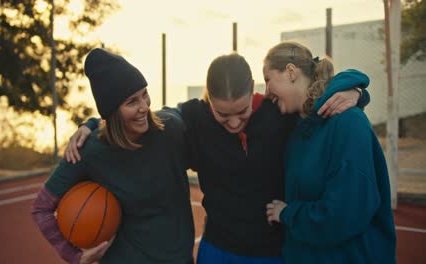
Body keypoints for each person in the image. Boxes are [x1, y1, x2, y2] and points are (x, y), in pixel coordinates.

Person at [65, 53, 369, 264]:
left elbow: (316, 102)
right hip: (218, 251)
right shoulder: (192, 118)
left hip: (273, 252)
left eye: (242, 112)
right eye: (223, 114)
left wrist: (356, 91)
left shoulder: (279, 115)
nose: (234, 122)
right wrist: (93, 124)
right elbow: (139, 121)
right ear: (207, 97)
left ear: (254, 92)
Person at [31, 48, 194, 264]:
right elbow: (41, 208)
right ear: (112, 112)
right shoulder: (89, 150)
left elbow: (201, 110)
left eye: (144, 94)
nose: (144, 107)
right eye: (132, 102)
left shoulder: (171, 127)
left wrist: (90, 122)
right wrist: (75, 256)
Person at [264, 41, 396, 263]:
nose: (266, 91)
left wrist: (288, 214)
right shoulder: (298, 127)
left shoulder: (347, 123)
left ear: (290, 72)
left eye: (268, 80)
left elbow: (346, 214)